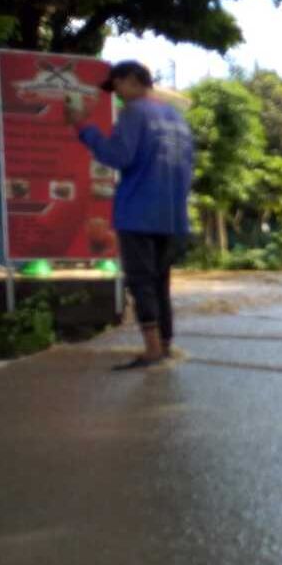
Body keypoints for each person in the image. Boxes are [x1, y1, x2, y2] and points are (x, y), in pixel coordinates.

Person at [66, 60, 194, 370]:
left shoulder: (134, 112)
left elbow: (117, 155)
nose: (118, 96)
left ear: (132, 80)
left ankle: (151, 350)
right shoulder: (176, 118)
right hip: (173, 215)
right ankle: (165, 346)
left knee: (140, 281)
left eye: (118, 87)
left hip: (138, 211)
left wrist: (84, 127)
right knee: (160, 282)